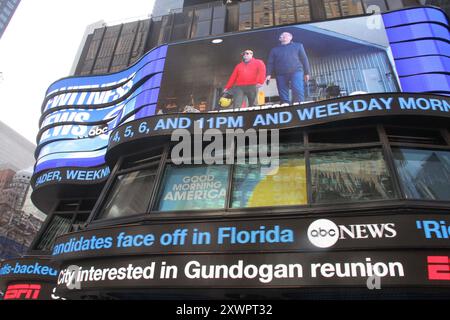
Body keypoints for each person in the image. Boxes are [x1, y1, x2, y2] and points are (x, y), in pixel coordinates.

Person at [266, 32, 311, 104]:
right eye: (281, 35)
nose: (283, 36)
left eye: (285, 35)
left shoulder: (298, 46)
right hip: (280, 73)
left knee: (297, 89)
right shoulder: (274, 50)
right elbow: (270, 63)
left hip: (296, 71)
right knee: (282, 92)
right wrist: (268, 74)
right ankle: (285, 105)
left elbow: (304, 59)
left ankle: (299, 105)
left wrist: (307, 73)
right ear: (279, 38)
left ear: (291, 37)